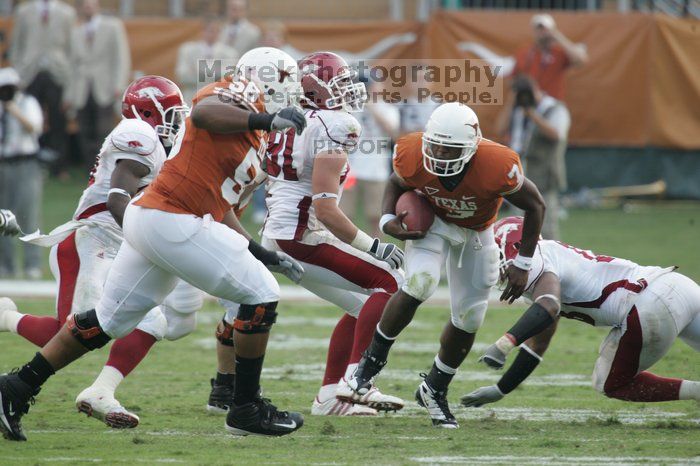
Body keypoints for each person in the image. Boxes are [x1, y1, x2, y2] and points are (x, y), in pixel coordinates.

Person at [0, 47, 308, 441]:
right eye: (286, 80)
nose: (291, 92)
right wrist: (263, 115)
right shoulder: (232, 94)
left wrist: (263, 252)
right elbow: (203, 113)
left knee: (107, 322)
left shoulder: (254, 130)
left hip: (156, 220)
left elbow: (219, 204)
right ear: (267, 77)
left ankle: (15, 388)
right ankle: (245, 407)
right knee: (261, 294)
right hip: (169, 218)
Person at [0, 75, 204, 429]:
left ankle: (101, 391)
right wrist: (149, 237)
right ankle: (5, 318)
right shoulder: (137, 134)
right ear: (146, 111)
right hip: (90, 244)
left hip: (117, 246)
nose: (176, 121)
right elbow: (117, 200)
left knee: (152, 320)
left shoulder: (153, 140)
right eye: (170, 113)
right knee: (72, 334)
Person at [345, 102, 546, 429]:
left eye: (450, 148)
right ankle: (367, 367)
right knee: (420, 282)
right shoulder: (411, 151)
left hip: (477, 231)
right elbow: (398, 183)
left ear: (471, 146)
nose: (439, 153)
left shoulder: (497, 163)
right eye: (435, 144)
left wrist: (523, 262)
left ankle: (435, 388)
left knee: (470, 316)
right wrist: (386, 220)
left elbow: (536, 205)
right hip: (432, 223)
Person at [261, 52, 405, 416]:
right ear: (314, 89)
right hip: (299, 235)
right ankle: (358, 381)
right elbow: (325, 208)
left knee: (361, 307)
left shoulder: (299, 120)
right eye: (338, 84)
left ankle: (330, 396)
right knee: (391, 281)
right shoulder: (333, 125)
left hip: (284, 231)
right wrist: (374, 246)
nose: (347, 91)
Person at [463, 216, 700, 407]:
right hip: (678, 285)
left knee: (609, 382)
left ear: (515, 247)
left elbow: (549, 305)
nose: (492, 264)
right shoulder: (548, 260)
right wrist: (501, 389)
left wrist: (504, 344)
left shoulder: (534, 259)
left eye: (495, 255)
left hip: (649, 304)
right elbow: (538, 343)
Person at [9, 0, 76, 175]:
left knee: (58, 120)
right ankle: (31, 162)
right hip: (29, 73)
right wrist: (19, 68)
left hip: (58, 73)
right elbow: (17, 43)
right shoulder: (24, 11)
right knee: (30, 118)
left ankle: (59, 166)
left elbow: (71, 46)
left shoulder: (67, 13)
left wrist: (68, 70)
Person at [65, 0, 131, 171]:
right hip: (81, 88)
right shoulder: (75, 32)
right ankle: (91, 170)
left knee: (104, 129)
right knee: (84, 130)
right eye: (85, 5)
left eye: (91, 4)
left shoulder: (113, 26)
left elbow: (121, 57)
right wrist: (70, 94)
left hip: (105, 86)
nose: (88, 8)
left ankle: (106, 168)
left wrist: (119, 84)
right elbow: (71, 65)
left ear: (97, 6)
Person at [506, 76, 570, 240]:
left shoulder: (555, 108)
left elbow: (557, 135)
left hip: (544, 174)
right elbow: (500, 128)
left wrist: (532, 115)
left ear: (535, 88)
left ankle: (551, 264)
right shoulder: (518, 110)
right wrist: (511, 103)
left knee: (546, 228)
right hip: (519, 174)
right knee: (517, 225)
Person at [341, 80, 400, 238]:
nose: (370, 88)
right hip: (350, 170)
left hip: (376, 170)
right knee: (345, 213)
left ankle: (375, 250)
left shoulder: (389, 109)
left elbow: (393, 133)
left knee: (375, 216)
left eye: (374, 84)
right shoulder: (352, 108)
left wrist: (372, 107)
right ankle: (348, 250)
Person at [0, 67, 44, 279]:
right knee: (3, 216)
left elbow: (34, 128)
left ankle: (32, 264)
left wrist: (13, 110)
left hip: (26, 164)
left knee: (28, 214)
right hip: (3, 163)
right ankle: (6, 265)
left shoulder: (27, 103)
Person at [512, 13, 588, 101]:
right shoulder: (524, 52)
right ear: (533, 31)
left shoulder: (559, 52)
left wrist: (557, 37)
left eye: (545, 29)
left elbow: (581, 60)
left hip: (553, 103)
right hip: (529, 103)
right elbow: (514, 78)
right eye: (538, 29)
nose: (542, 32)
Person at [175, 18, 238, 104]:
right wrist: (216, 72)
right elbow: (183, 76)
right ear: (203, 31)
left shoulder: (230, 53)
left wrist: (197, 68)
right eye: (210, 30)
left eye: (216, 31)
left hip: (218, 102)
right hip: (192, 100)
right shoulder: (187, 50)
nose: (212, 34)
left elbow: (227, 78)